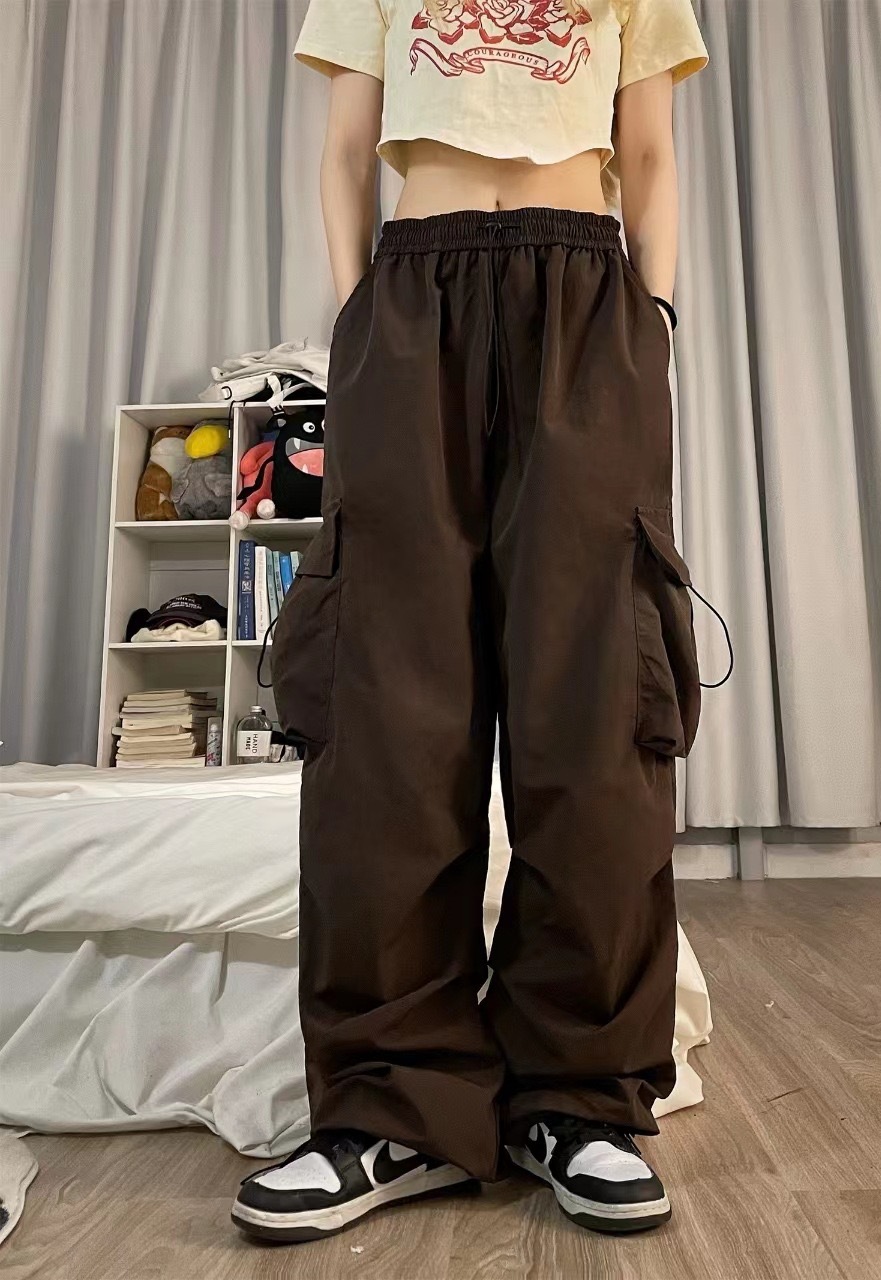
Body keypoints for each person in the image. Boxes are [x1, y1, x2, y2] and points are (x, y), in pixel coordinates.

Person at [232, 0, 708, 1243]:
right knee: (390, 713)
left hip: (586, 298)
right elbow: (347, 151)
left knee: (593, 706)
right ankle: (392, 1106)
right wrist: (359, 328)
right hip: (412, 297)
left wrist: (650, 331)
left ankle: (579, 1097)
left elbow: (648, 155)